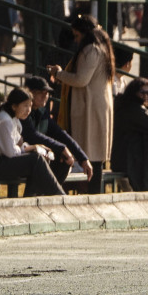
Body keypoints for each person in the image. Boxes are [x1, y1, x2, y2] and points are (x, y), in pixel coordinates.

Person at [53, 16, 116, 193]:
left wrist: (59, 73)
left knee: (90, 153)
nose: (76, 40)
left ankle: (92, 193)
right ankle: (93, 192)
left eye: (77, 35)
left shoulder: (91, 50)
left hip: (90, 108)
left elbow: (81, 79)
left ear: (85, 33)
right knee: (94, 156)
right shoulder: (102, 48)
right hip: (96, 105)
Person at [0, 88, 65, 197]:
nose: (28, 110)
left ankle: (33, 198)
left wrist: (33, 147)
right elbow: (11, 153)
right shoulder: (5, 120)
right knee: (36, 160)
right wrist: (30, 148)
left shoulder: (11, 118)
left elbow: (16, 146)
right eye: (25, 106)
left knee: (39, 158)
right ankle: (59, 195)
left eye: (30, 106)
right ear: (14, 106)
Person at [20, 74, 90, 186]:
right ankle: (42, 193)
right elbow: (32, 135)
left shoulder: (42, 112)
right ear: (30, 93)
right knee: (40, 158)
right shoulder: (21, 111)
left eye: (47, 93)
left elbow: (59, 133)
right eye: (41, 92)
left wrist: (83, 158)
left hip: (35, 156)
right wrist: (61, 148)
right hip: (17, 155)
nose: (45, 96)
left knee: (64, 160)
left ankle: (48, 193)